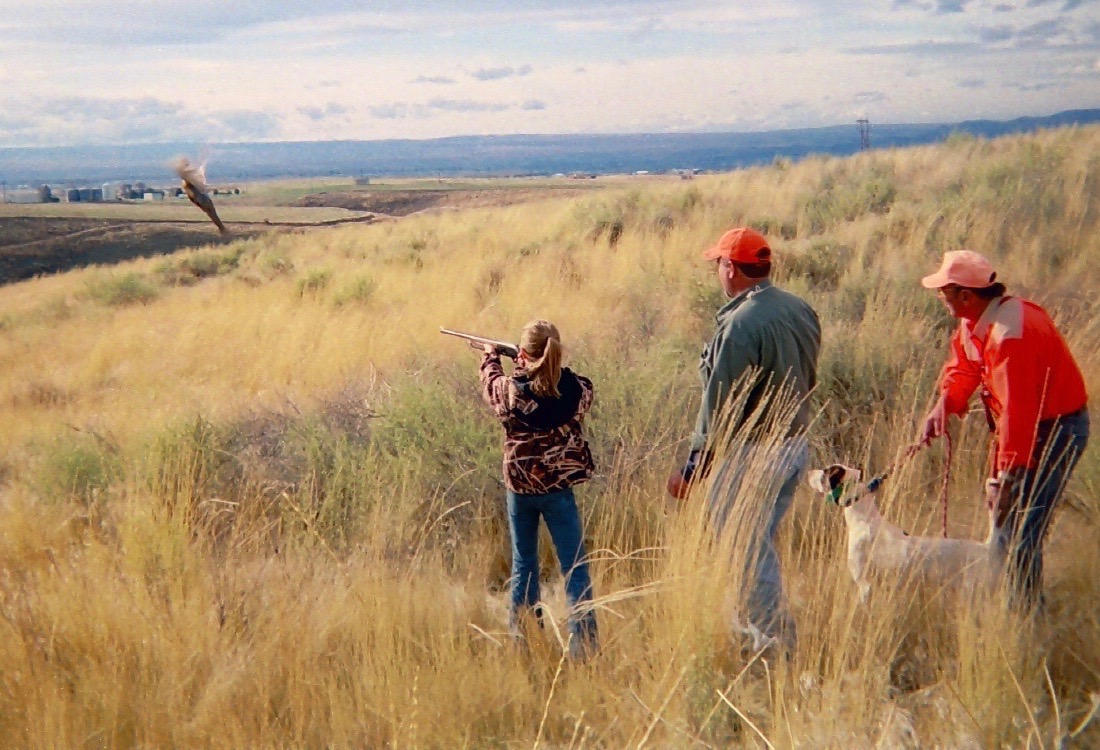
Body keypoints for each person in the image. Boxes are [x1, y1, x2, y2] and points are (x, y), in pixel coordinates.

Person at [668, 226, 821, 653]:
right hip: (794, 446)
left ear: (731, 268)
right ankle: (751, 633)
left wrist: (693, 468)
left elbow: (718, 405)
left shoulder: (739, 323)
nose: (717, 271)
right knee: (759, 545)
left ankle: (775, 643)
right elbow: (810, 376)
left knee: (746, 551)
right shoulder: (799, 307)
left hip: (753, 453)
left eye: (718, 263)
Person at [918, 250, 1089, 610]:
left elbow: (1019, 413)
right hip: (1026, 427)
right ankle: (1009, 604)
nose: (939, 298)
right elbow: (963, 367)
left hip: (1055, 430)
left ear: (965, 295)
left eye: (943, 292)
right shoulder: (974, 322)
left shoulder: (1011, 335)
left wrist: (1008, 477)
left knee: (1022, 530)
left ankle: (1026, 618)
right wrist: (944, 405)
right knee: (1006, 524)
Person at [479, 319, 599, 660]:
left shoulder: (512, 390)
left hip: (521, 488)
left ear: (523, 353)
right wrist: (540, 366)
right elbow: (577, 389)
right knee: (575, 566)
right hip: (559, 486)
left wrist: (490, 356)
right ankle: (585, 647)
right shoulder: (574, 388)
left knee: (524, 564)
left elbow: (491, 386)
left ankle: (524, 644)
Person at [172, 156, 230, 236]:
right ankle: (222, 229)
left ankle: (222, 229)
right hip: (199, 197)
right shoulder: (186, 177)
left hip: (199, 197)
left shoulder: (187, 176)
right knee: (211, 212)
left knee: (212, 213)